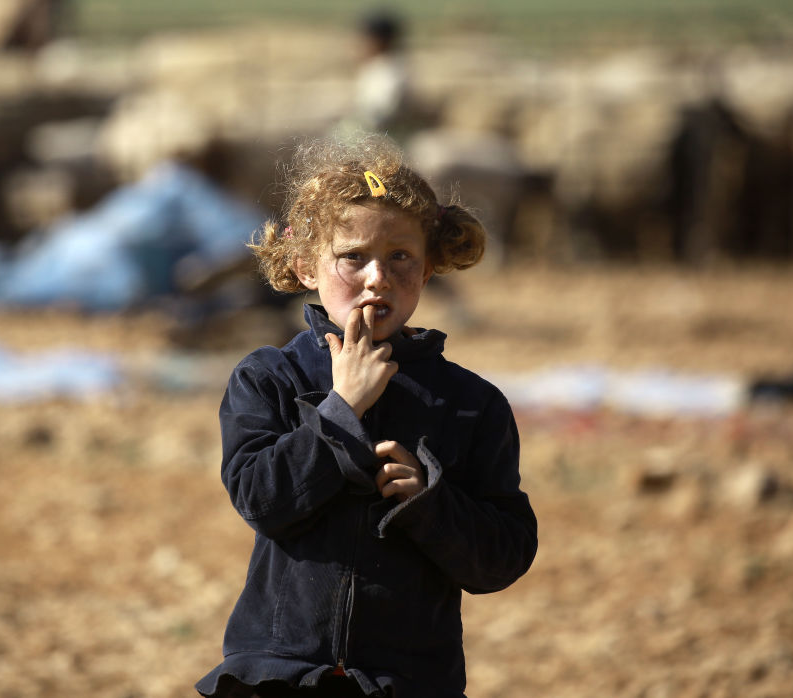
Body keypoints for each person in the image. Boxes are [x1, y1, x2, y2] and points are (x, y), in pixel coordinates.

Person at [194, 134, 538, 698]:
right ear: (305, 265)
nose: (377, 277)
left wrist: (432, 503)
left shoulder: (471, 404)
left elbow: (504, 556)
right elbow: (260, 498)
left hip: (406, 682)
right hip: (280, 675)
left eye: (400, 256)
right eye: (352, 256)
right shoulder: (269, 379)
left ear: (428, 270)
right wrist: (341, 410)